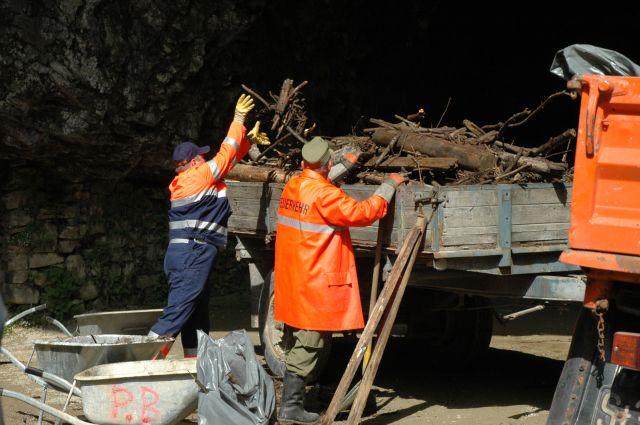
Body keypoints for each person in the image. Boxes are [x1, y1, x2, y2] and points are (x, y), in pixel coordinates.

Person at [274, 136, 403, 424]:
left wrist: (344, 164)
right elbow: (361, 213)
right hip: (315, 281)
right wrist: (389, 186)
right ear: (326, 163)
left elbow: (319, 183)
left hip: (295, 277)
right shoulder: (325, 195)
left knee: (297, 337)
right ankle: (291, 408)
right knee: (309, 344)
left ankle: (292, 404)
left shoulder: (294, 184)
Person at [149, 94, 269, 358]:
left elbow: (225, 163)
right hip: (193, 255)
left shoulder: (191, 180)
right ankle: (140, 362)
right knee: (177, 313)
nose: (205, 159)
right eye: (201, 157)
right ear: (193, 163)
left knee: (195, 312)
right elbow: (225, 154)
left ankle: (196, 362)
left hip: (188, 255)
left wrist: (247, 142)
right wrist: (238, 120)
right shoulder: (198, 177)